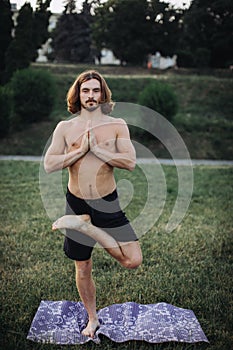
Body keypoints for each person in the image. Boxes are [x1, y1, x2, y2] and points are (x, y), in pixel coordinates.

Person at [44, 70, 142, 338]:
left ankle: (84, 227)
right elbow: (49, 164)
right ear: (78, 94)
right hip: (76, 202)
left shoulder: (117, 124)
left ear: (102, 94)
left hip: (108, 203)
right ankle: (92, 319)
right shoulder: (65, 128)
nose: (90, 95)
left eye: (95, 90)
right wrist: (78, 151)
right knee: (83, 266)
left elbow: (130, 162)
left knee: (132, 260)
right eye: (85, 90)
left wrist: (98, 150)